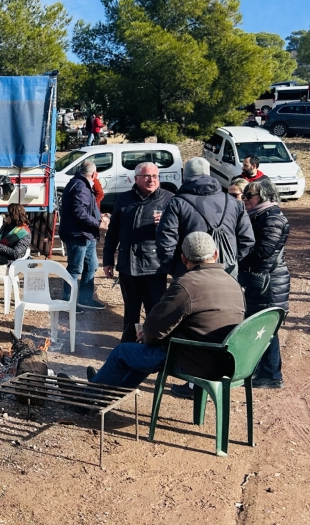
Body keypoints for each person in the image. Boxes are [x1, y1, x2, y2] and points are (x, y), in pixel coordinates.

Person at [88, 232, 245, 389]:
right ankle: (107, 388)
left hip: (196, 362)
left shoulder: (186, 284)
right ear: (216, 254)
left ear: (183, 259)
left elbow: (154, 330)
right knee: (144, 353)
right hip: (228, 361)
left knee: (123, 351)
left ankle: (92, 394)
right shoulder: (232, 282)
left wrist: (147, 334)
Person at [102, 163, 174, 342]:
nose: (151, 180)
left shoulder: (169, 199)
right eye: (147, 176)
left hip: (154, 267)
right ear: (136, 179)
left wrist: (164, 225)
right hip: (128, 265)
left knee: (154, 311)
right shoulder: (124, 198)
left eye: (155, 176)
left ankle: (153, 347)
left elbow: (177, 233)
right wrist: (108, 260)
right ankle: (127, 347)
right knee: (131, 311)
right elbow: (113, 232)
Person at [156, 157, 254, 279]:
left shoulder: (177, 203)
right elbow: (247, 239)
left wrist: (175, 269)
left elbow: (165, 241)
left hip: (189, 273)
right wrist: (232, 261)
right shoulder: (234, 202)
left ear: (185, 176)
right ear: (209, 174)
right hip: (226, 271)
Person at [239, 179, 290, 389]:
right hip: (263, 280)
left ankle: (271, 376)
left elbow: (263, 251)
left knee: (265, 328)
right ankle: (265, 371)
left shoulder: (272, 218)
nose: (245, 199)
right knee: (261, 326)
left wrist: (238, 254)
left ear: (264, 195)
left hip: (269, 283)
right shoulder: (260, 215)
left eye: (249, 195)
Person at [59, 161, 109, 311]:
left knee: (92, 265)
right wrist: (98, 224)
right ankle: (68, 302)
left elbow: (86, 208)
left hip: (86, 234)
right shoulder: (81, 186)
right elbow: (79, 212)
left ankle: (85, 298)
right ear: (94, 174)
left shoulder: (81, 184)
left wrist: (99, 217)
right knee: (75, 268)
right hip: (78, 234)